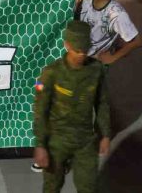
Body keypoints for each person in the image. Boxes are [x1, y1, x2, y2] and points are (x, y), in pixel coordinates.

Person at [32, 21, 112, 191]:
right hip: (57, 141)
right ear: (67, 45)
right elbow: (40, 110)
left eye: (85, 51)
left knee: (89, 187)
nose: (81, 55)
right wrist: (40, 144)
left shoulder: (96, 70)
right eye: (77, 51)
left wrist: (105, 133)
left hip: (85, 140)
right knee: (52, 186)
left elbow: (102, 102)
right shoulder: (50, 73)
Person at [75, 0, 141, 64]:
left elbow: (136, 41)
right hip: (77, 54)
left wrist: (112, 58)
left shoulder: (116, 14)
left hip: (92, 62)